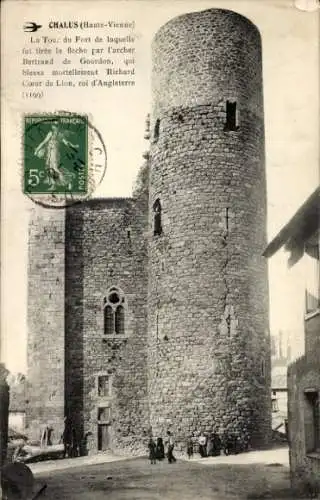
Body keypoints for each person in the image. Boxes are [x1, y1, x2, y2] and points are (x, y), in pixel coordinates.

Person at [34, 123, 78, 190]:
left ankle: (69, 181)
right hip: (49, 153)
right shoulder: (50, 133)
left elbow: (66, 143)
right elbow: (44, 142)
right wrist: (37, 150)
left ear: (59, 127)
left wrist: (73, 146)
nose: (55, 127)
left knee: (55, 168)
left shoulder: (60, 135)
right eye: (54, 126)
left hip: (55, 153)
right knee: (50, 168)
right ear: (52, 127)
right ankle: (53, 185)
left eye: (57, 126)